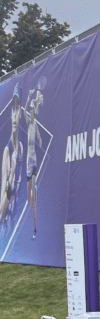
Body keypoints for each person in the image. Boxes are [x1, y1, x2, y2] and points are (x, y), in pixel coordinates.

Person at [1, 84, 21, 225]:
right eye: (13, 109)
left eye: (17, 109)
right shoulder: (7, 152)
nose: (15, 114)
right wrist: (12, 173)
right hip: (7, 225)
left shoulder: (20, 147)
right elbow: (3, 201)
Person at [25, 88, 42, 239]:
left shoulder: (35, 124)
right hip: (27, 165)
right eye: (30, 109)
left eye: (32, 109)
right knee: (28, 200)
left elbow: (38, 136)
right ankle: (31, 190)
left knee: (34, 200)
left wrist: (40, 139)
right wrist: (30, 96)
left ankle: (35, 230)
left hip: (34, 160)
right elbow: (24, 111)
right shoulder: (28, 121)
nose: (31, 111)